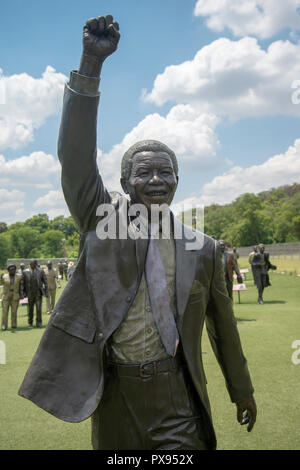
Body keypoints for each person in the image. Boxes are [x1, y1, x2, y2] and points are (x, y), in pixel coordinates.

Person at [19, 15, 256, 451]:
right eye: (144, 172)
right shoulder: (101, 222)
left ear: (177, 181)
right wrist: (91, 65)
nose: (157, 180)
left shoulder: (202, 248)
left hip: (177, 404)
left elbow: (224, 329)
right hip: (113, 400)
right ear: (126, 184)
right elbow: (74, 160)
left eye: (166, 172)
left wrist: (242, 390)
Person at [23, 260, 48, 327]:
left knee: (38, 308)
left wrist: (46, 292)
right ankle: (30, 322)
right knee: (30, 309)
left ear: (36, 264)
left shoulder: (40, 271)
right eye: (31, 264)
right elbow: (23, 283)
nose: (32, 265)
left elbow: (45, 282)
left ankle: (39, 322)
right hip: (30, 293)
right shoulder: (25, 272)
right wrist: (23, 293)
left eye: (34, 264)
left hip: (38, 293)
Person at [1, 264, 24, 330]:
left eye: (14, 269)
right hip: (6, 296)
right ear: (8, 270)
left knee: (14, 311)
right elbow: (1, 283)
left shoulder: (19, 276)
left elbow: (24, 279)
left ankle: (14, 324)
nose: (13, 271)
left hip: (15, 295)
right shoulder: (4, 276)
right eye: (11, 270)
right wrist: (1, 278)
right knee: (5, 311)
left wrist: (22, 293)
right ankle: (4, 325)